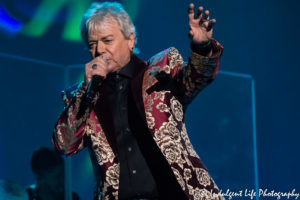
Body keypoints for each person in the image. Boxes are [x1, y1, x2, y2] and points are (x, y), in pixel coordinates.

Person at [52, 2, 224, 200]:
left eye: (107, 40)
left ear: (130, 40)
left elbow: (196, 78)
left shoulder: (161, 68)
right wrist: (85, 91)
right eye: (92, 44)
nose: (99, 50)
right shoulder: (83, 97)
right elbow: (64, 145)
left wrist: (201, 48)